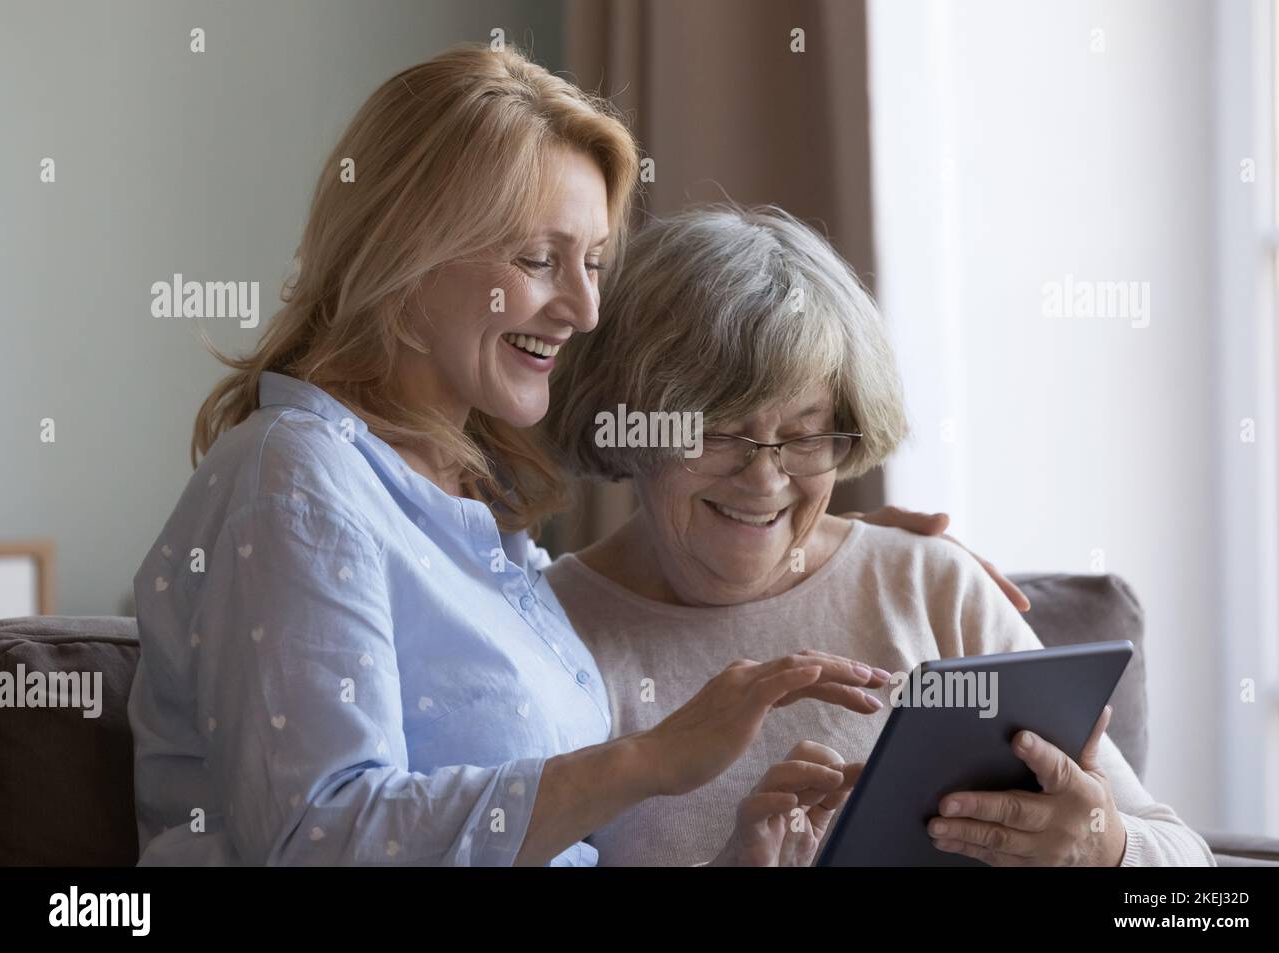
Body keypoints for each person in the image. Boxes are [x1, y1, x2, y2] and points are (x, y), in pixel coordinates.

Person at [126, 45, 890, 867]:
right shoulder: (295, 480)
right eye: (539, 260)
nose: (587, 309)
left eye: (593, 264)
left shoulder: (461, 504)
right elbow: (320, 840)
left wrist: (851, 541)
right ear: (405, 252)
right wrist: (650, 761)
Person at [542, 204, 1216, 866]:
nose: (764, 480)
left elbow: (1190, 870)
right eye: (718, 433)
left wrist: (1103, 847)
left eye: (804, 436)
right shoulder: (546, 627)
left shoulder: (930, 586)